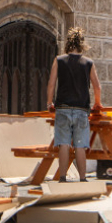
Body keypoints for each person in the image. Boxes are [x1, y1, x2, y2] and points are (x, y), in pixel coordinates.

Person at [46, 27, 103, 183]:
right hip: (81, 109)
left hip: (63, 108)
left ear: (68, 44)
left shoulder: (59, 60)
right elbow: (97, 86)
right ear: (82, 44)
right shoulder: (88, 63)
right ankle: (83, 178)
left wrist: (49, 102)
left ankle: (63, 177)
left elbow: (51, 84)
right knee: (80, 145)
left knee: (63, 144)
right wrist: (97, 103)